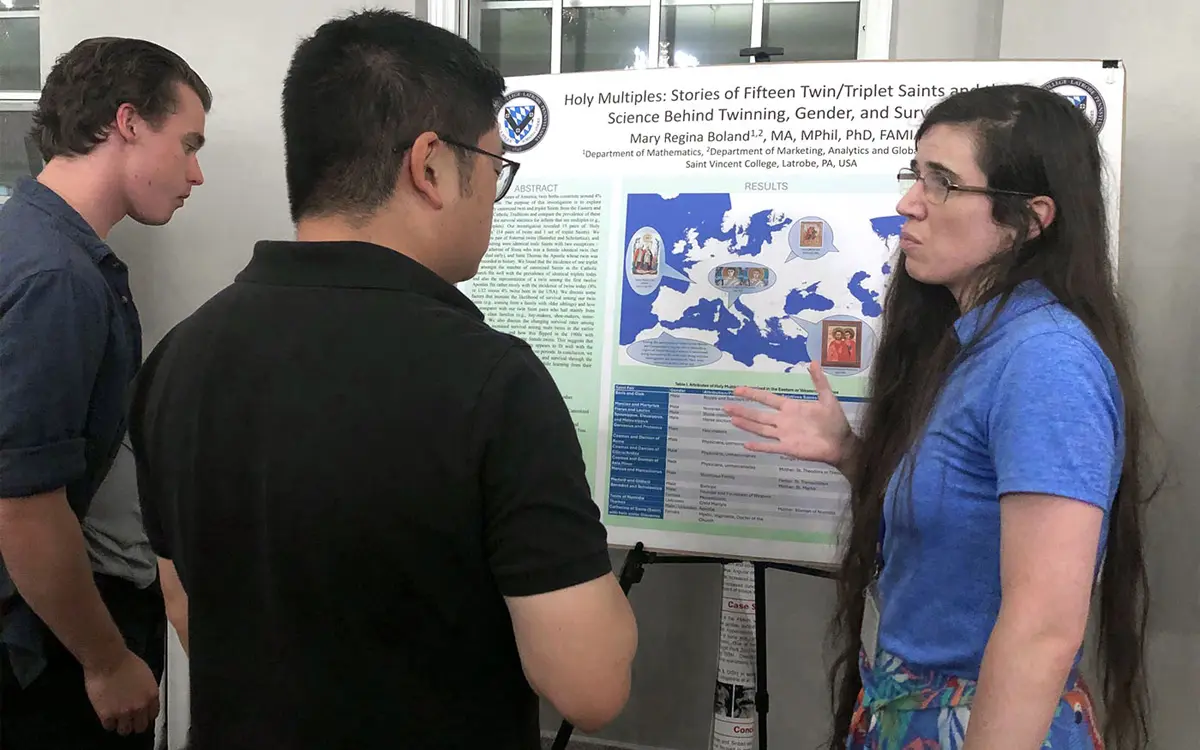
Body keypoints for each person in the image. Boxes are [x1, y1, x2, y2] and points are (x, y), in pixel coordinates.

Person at [126, 10, 637, 750]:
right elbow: (590, 688)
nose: (494, 196)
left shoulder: (177, 357)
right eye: (496, 169)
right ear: (430, 165)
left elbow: (188, 612)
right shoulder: (493, 380)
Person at [725, 84, 1156, 749]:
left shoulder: (1045, 359)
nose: (909, 203)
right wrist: (852, 455)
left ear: (1030, 220)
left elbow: (1043, 627)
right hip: (913, 711)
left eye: (944, 184)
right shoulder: (974, 342)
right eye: (916, 174)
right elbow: (961, 522)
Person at [0, 37, 209, 749]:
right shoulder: (57, 278)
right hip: (47, 656)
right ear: (126, 123)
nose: (196, 172)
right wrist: (107, 660)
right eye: (187, 144)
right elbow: (25, 508)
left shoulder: (28, 242)